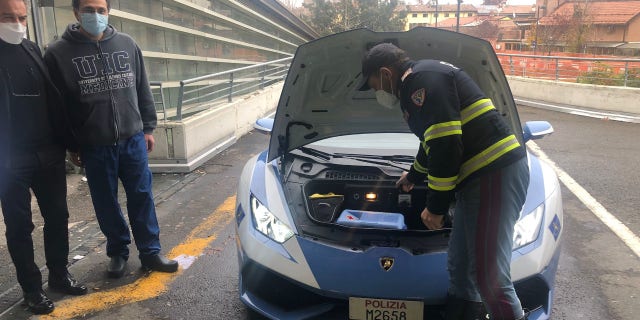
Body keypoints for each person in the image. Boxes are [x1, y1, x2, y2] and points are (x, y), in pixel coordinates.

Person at [359, 43, 530, 320]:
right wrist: (413, 176)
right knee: (460, 265)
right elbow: (431, 142)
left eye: (373, 83)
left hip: (493, 174)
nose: (376, 90)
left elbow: (446, 145)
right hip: (478, 180)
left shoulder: (421, 82)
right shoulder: (417, 81)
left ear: (385, 72)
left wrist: (436, 207)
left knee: (489, 276)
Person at [43, 0, 178, 279]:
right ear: (76, 12)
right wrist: (72, 144)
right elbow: (58, 106)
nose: (96, 15)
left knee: (141, 196)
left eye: (101, 10)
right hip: (94, 144)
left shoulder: (127, 44)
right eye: (89, 10)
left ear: (108, 12)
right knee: (106, 201)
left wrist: (148, 128)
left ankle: (150, 252)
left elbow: (142, 87)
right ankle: (118, 251)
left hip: (132, 139)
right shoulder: (58, 53)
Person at [0, 0, 88, 314]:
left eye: (21, 17)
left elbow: (53, 99)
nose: (17, 23)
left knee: (57, 218)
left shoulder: (32, 49)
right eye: (8, 17)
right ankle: (31, 289)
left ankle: (59, 275)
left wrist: (69, 143)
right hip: (10, 161)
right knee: (19, 227)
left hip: (48, 153)